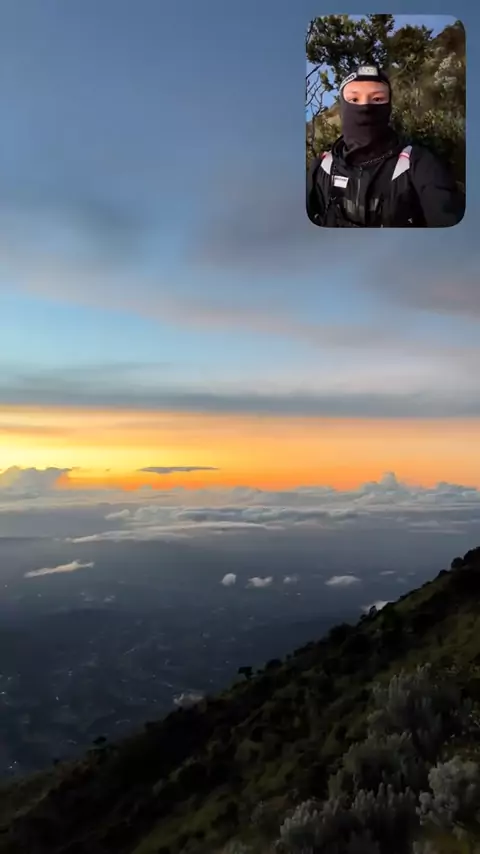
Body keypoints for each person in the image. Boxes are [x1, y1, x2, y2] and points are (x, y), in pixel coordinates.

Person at [306, 64, 465, 228]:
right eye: (354, 99)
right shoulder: (322, 169)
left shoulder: (418, 165)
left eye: (377, 99)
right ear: (343, 107)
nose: (365, 107)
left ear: (388, 106)